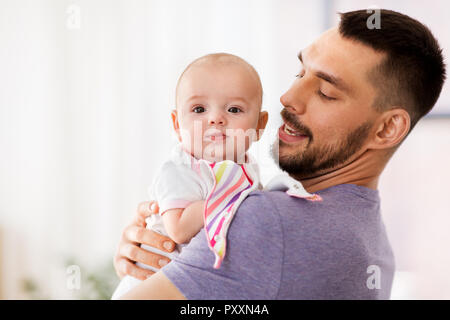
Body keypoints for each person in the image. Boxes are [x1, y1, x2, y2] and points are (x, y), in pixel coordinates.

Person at [113, 9, 446, 299]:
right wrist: (162, 263)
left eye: (326, 92)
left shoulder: (263, 219)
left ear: (387, 128)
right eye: (300, 73)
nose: (288, 97)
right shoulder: (376, 245)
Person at [112, 53, 313, 298]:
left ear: (259, 126)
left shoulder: (246, 167)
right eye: (199, 109)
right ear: (177, 124)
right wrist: (232, 202)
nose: (216, 118)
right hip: (149, 281)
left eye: (234, 109)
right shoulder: (180, 170)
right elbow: (178, 229)